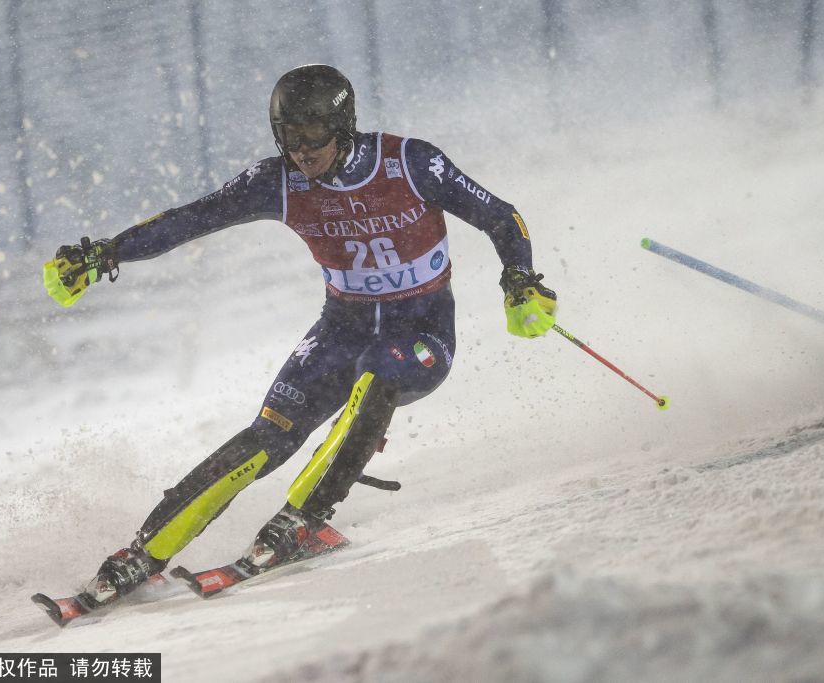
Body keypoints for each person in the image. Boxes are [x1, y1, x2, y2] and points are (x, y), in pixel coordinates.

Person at [43, 64, 557, 609]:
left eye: (314, 139)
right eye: (290, 139)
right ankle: (143, 554)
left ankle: (307, 520)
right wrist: (104, 254)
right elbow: (191, 220)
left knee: (380, 370)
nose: (303, 153)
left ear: (345, 127)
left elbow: (502, 217)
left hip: (423, 331)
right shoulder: (277, 182)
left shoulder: (411, 162)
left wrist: (519, 280)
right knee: (270, 433)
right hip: (341, 328)